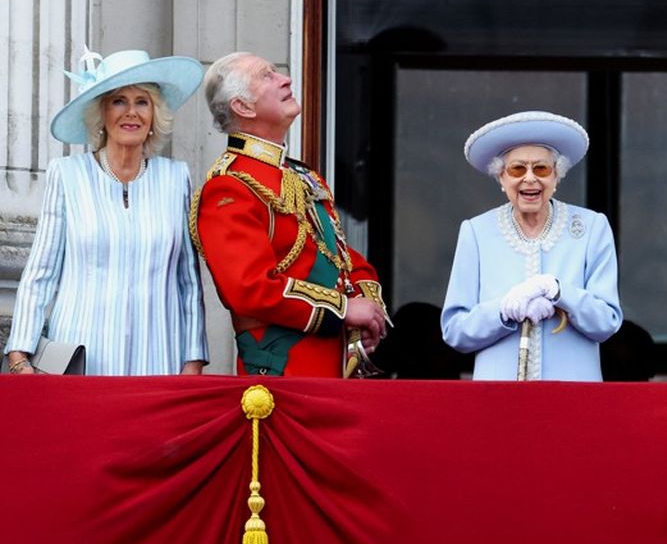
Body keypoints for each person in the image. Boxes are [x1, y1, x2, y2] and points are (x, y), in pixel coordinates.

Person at [5, 49, 208, 375]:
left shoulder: (175, 179)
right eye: (118, 101)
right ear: (101, 112)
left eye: (142, 101)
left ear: (155, 114)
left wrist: (193, 362)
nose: (131, 112)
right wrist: (20, 356)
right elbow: (41, 273)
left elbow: (188, 281)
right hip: (81, 360)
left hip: (158, 361)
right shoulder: (67, 175)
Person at [194, 52, 386, 377]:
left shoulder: (302, 176)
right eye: (266, 76)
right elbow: (250, 289)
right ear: (243, 107)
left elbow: (339, 257)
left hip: (335, 370)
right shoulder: (228, 187)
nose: (286, 79)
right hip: (281, 375)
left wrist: (368, 308)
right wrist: (343, 309)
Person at [442, 111, 622, 380]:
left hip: (573, 397)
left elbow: (606, 322)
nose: (529, 179)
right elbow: (455, 331)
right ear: (501, 177)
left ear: (556, 177)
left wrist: (560, 292)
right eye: (517, 169)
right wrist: (503, 310)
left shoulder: (591, 228)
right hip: (499, 396)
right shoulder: (476, 232)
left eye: (541, 168)